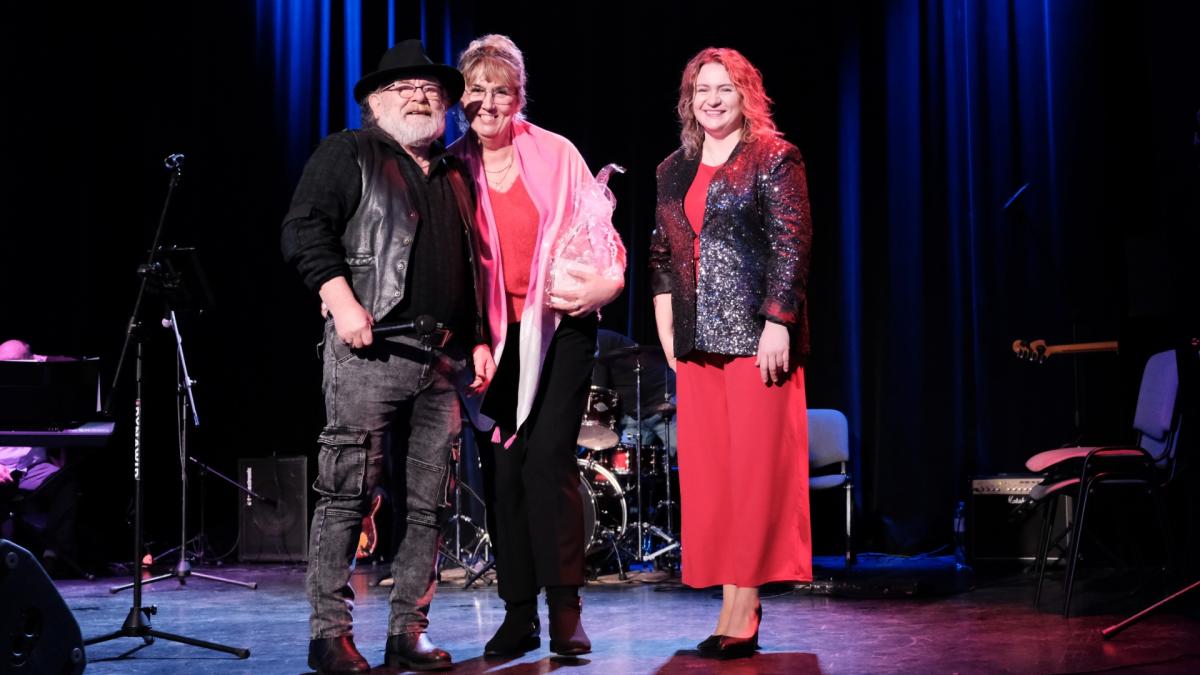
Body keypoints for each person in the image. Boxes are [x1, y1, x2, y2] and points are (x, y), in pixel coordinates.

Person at [281, 39, 494, 674]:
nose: (419, 97)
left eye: (430, 90)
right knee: (347, 492)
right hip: (370, 352)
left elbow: (470, 266)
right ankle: (329, 634)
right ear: (375, 102)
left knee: (430, 502)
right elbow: (303, 229)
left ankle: (408, 630)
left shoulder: (454, 173)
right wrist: (341, 301)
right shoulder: (348, 152)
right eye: (402, 88)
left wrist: (479, 336)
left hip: (442, 360)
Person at [449, 34, 625, 658]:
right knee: (504, 472)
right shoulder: (451, 167)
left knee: (548, 459)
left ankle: (565, 610)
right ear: (460, 98)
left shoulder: (555, 152)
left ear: (519, 98)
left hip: (560, 327)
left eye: (502, 91)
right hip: (492, 342)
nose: (489, 103)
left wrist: (607, 283)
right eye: (477, 90)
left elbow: (599, 232)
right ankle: (518, 612)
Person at [649, 47, 813, 658]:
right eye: (702, 90)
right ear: (689, 101)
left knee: (754, 479)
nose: (713, 99)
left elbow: (792, 244)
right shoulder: (673, 168)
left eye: (725, 88)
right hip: (696, 343)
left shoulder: (774, 157)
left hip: (755, 340)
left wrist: (778, 322)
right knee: (713, 481)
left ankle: (745, 604)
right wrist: (666, 324)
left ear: (746, 95)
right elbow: (661, 253)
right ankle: (729, 601)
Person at [0, 339, 80, 576]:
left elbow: (75, 365)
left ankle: (52, 556)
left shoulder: (41, 392)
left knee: (66, 483)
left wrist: (38, 361)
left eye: (13, 365)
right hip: (1, 467)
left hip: (33, 469)